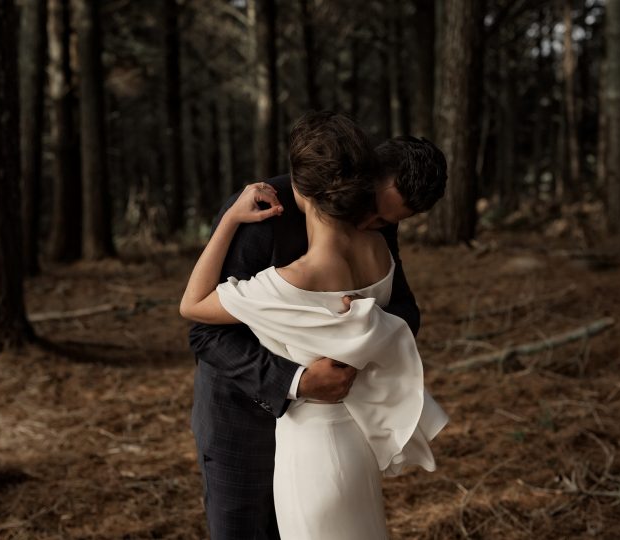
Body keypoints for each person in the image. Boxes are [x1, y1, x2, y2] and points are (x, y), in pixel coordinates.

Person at [185, 111, 448, 538]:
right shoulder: (261, 211)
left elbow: (403, 309)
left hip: (337, 427)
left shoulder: (375, 230)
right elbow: (205, 332)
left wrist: (360, 337)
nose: (366, 226)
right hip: (241, 419)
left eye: (384, 223)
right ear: (361, 176)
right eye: (373, 213)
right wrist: (297, 381)